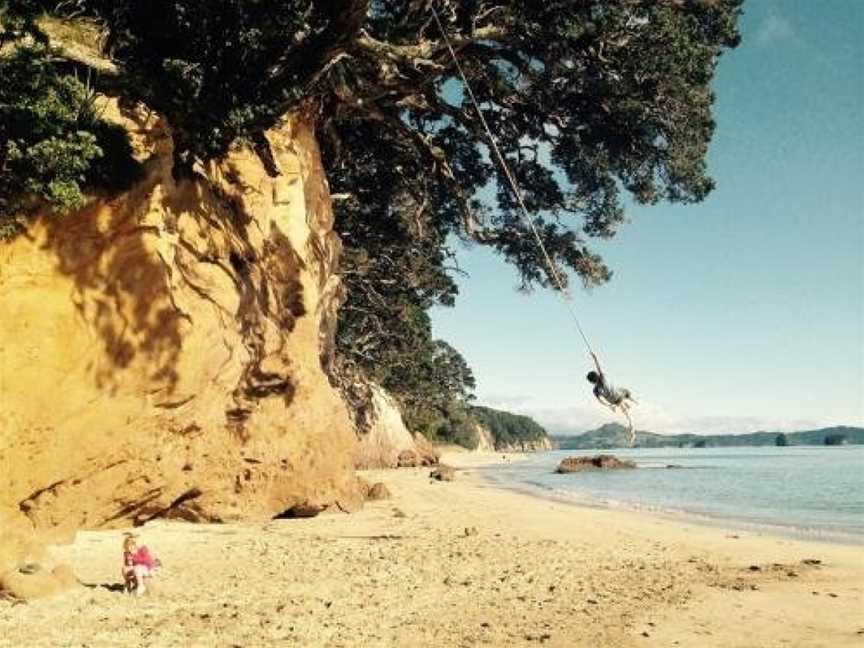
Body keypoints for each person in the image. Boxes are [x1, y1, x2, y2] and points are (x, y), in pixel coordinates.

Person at [586, 352, 638, 446]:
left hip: (613, 401)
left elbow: (600, 401)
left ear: (591, 382)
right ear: (597, 376)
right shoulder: (602, 378)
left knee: (626, 411)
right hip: (618, 396)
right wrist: (595, 358)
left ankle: (631, 404)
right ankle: (632, 402)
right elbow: (599, 367)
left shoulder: (595, 390)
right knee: (625, 393)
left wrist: (609, 406)